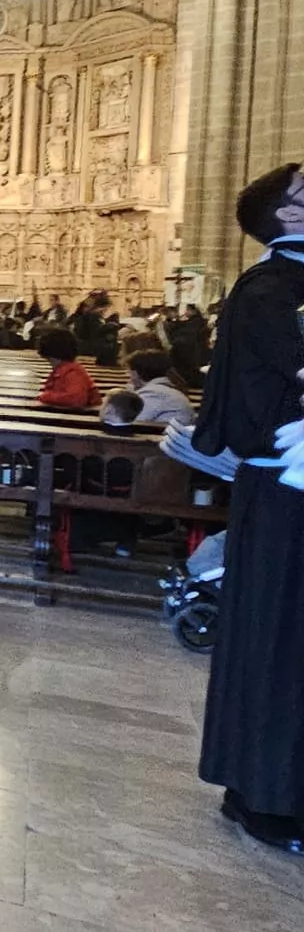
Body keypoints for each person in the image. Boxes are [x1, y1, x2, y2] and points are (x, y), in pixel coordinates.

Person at [197, 163, 304, 851]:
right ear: (287, 218)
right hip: (285, 485)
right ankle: (267, 796)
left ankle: (264, 786)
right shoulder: (272, 288)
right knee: (280, 637)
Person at [125, 349, 196, 425]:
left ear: (135, 373)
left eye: (128, 372)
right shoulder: (165, 390)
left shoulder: (153, 394)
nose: (128, 376)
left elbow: (130, 421)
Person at [35, 327, 101, 408]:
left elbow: (76, 399)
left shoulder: (73, 372)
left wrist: (45, 396)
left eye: (49, 359)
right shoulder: (64, 369)